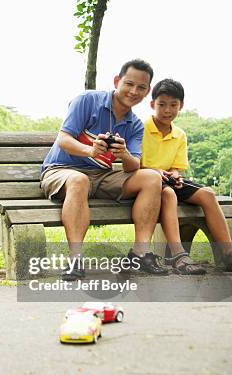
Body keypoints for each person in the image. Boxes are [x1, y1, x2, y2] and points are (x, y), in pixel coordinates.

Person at [41, 59, 168, 280]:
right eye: (129, 83)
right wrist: (90, 150)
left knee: (151, 178)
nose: (133, 91)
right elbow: (63, 139)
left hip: (101, 176)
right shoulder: (87, 100)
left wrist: (124, 154)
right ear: (117, 81)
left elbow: (133, 165)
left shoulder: (135, 125)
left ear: (147, 91)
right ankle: (75, 260)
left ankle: (140, 253)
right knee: (79, 180)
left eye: (141, 87)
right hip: (61, 170)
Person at [141, 78, 232, 273]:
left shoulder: (180, 135)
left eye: (173, 105)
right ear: (152, 104)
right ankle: (179, 257)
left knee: (208, 193)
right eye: (162, 104)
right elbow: (137, 164)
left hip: (169, 180)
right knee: (168, 194)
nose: (167, 110)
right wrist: (156, 172)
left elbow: (177, 167)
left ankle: (229, 254)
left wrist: (176, 175)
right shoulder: (142, 128)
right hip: (148, 181)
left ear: (181, 106)